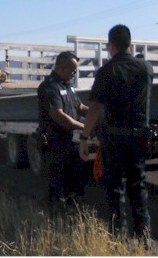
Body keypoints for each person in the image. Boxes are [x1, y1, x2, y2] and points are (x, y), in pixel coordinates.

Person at [80, 24, 153, 249]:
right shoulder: (145, 68)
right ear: (130, 44)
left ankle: (117, 240)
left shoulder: (107, 71)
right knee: (138, 186)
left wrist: (84, 137)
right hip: (139, 136)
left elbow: (95, 108)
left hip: (114, 137)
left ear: (111, 46)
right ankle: (144, 239)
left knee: (116, 188)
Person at [37, 51, 89, 207]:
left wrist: (96, 115)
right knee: (57, 183)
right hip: (54, 142)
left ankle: (71, 209)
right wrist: (85, 127)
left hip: (67, 140)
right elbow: (58, 116)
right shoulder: (49, 87)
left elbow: (79, 107)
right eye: (72, 71)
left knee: (75, 178)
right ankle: (53, 214)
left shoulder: (68, 85)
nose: (74, 74)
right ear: (61, 68)